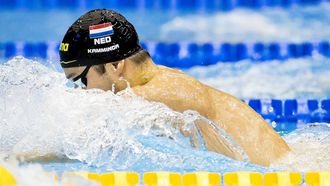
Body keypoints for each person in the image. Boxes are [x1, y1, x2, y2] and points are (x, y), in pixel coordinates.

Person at [59, 9, 290, 166]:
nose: (84, 91)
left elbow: (75, 142)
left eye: (81, 80)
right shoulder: (159, 83)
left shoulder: (164, 94)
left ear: (116, 65)